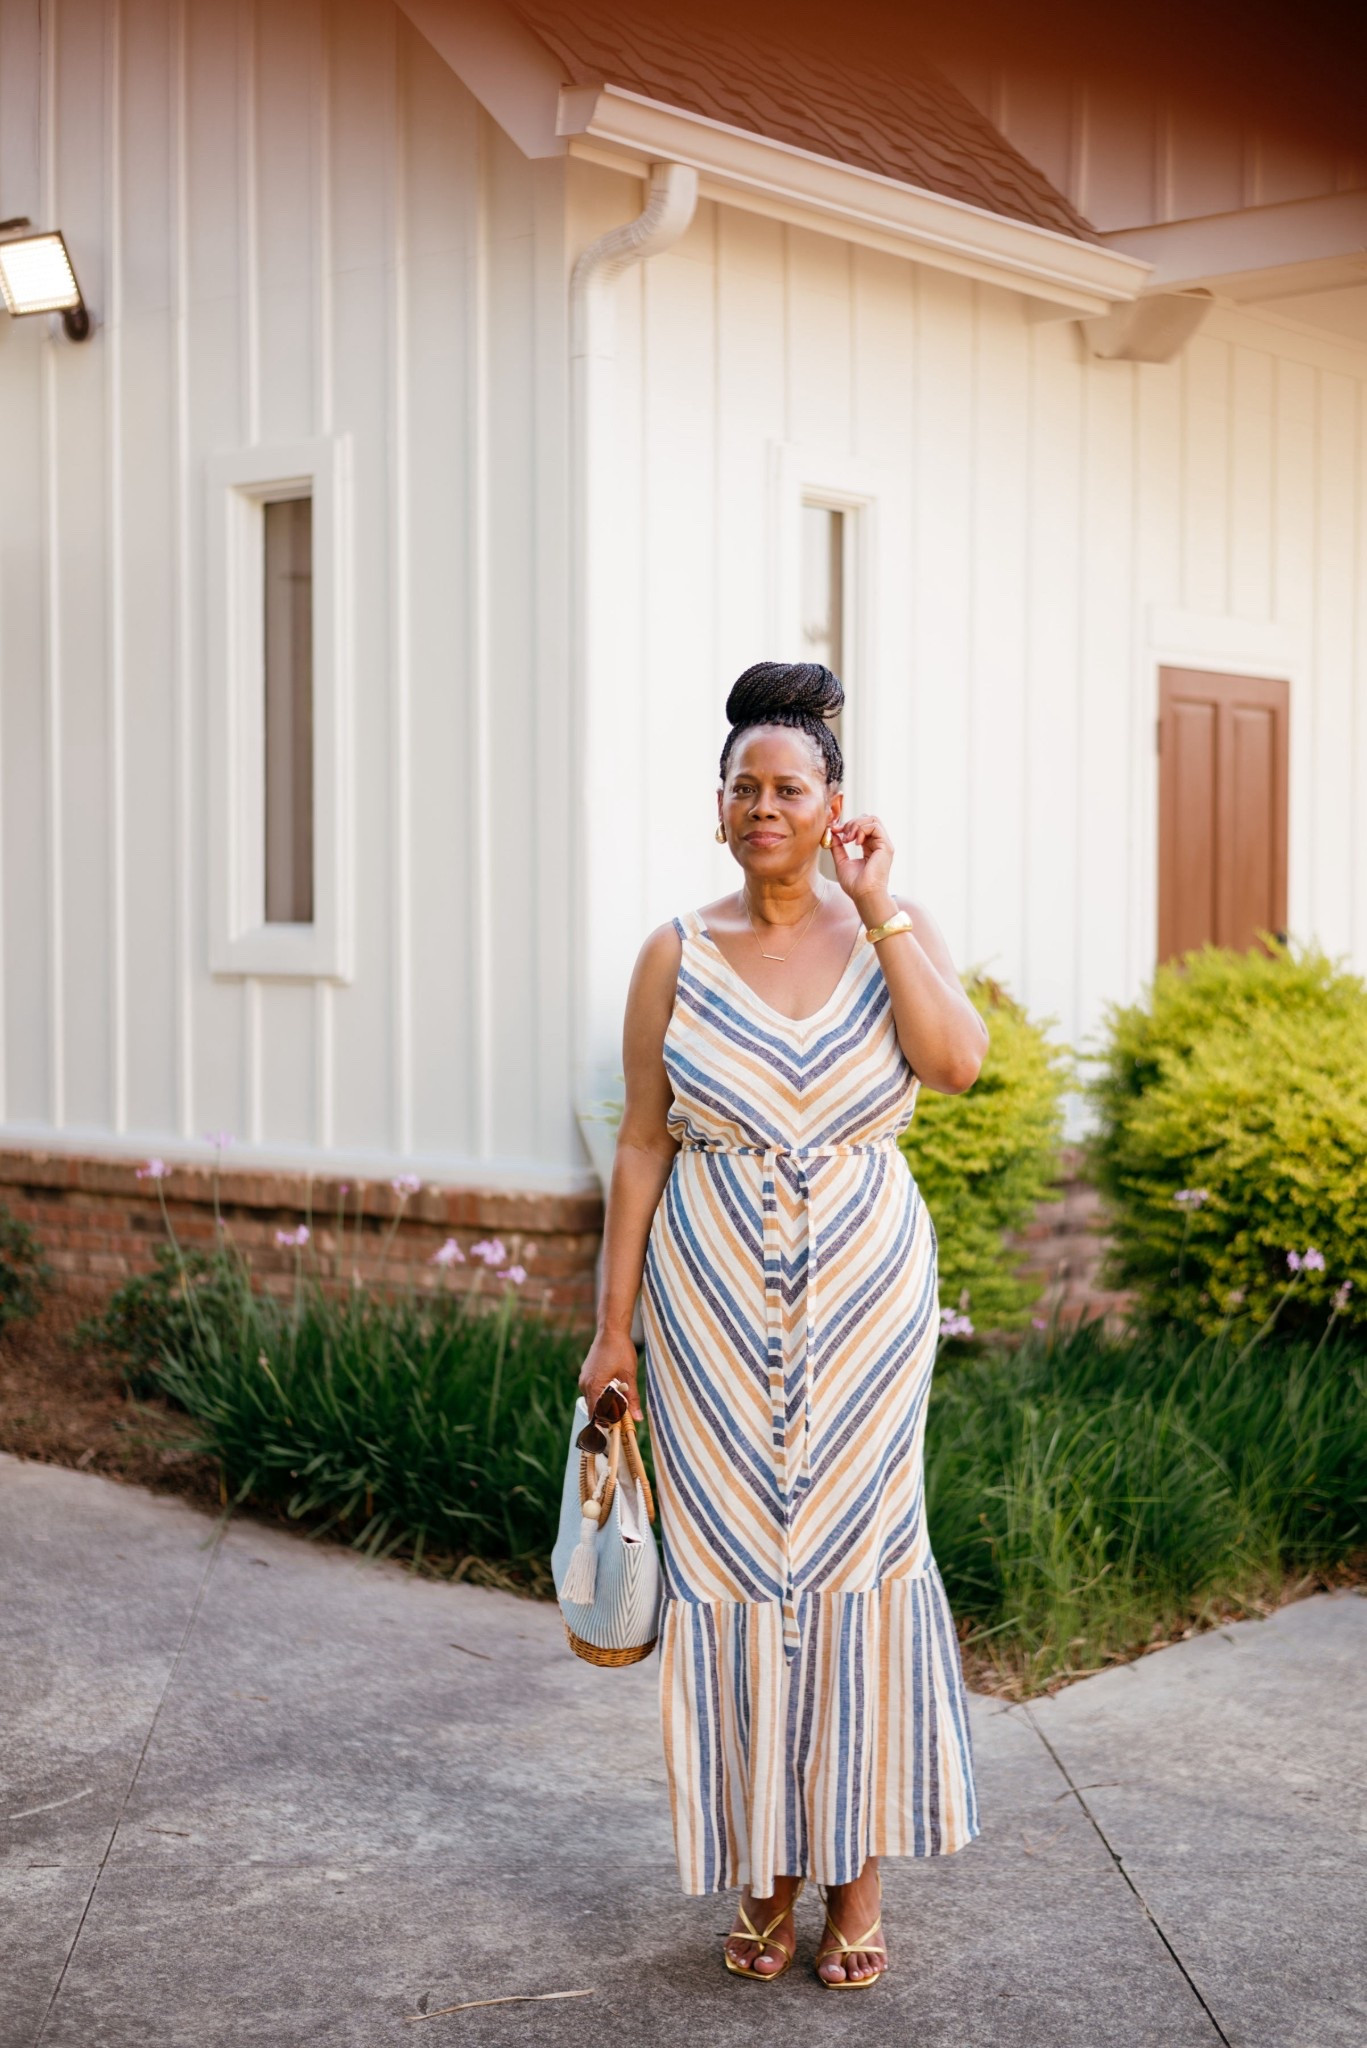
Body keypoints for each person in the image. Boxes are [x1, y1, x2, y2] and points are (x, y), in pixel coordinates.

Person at [578, 661, 986, 1988]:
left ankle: (858, 1886)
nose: (766, 806)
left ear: (834, 806)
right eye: (744, 787)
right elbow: (641, 1145)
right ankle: (762, 1881)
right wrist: (613, 1330)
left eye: (790, 787)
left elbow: (958, 1062)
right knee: (737, 1582)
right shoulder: (675, 955)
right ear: (719, 810)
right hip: (704, 1313)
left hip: (867, 1311)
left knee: (860, 1580)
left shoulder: (891, 926)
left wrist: (880, 913)